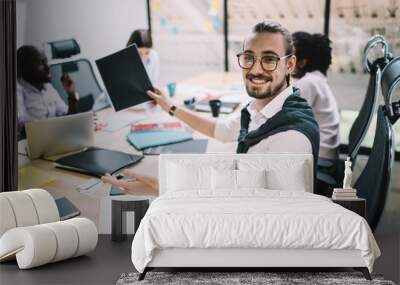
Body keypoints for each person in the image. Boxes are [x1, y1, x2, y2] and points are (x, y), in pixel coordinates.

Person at [102, 21, 319, 195]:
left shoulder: (290, 136)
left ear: (289, 64)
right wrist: (169, 106)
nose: (256, 69)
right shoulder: (260, 110)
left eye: (269, 59)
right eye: (249, 58)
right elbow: (222, 130)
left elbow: (252, 203)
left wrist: (165, 187)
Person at [291, 32, 340, 160]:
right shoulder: (316, 79)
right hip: (325, 153)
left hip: (320, 160)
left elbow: (288, 123)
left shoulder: (308, 83)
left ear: (302, 62)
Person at [17, 45, 79, 139]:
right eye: (40, 63)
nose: (47, 67)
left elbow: (69, 118)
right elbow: (23, 128)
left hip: (54, 139)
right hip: (32, 145)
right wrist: (59, 129)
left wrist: (71, 95)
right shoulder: (18, 90)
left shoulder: (48, 88)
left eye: (46, 61)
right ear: (25, 68)